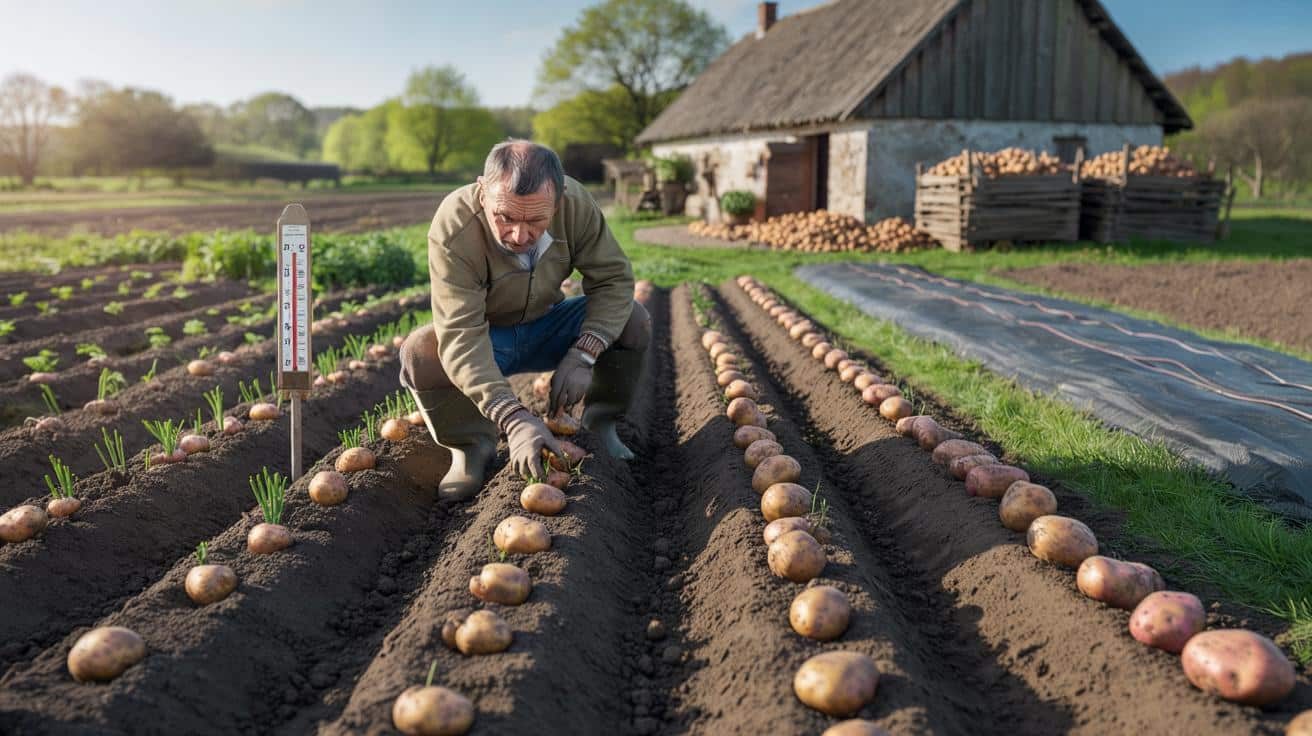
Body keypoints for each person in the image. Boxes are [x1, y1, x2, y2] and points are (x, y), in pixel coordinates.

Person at [399, 140, 650, 500]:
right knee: (421, 351)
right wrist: (514, 418)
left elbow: (613, 279)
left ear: (559, 200)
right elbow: (460, 333)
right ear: (483, 193)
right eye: (505, 217)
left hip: (549, 324)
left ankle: (601, 424)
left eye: (535, 220)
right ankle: (471, 447)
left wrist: (585, 353)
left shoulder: (576, 206)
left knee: (634, 319)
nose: (519, 235)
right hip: (487, 336)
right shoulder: (455, 225)